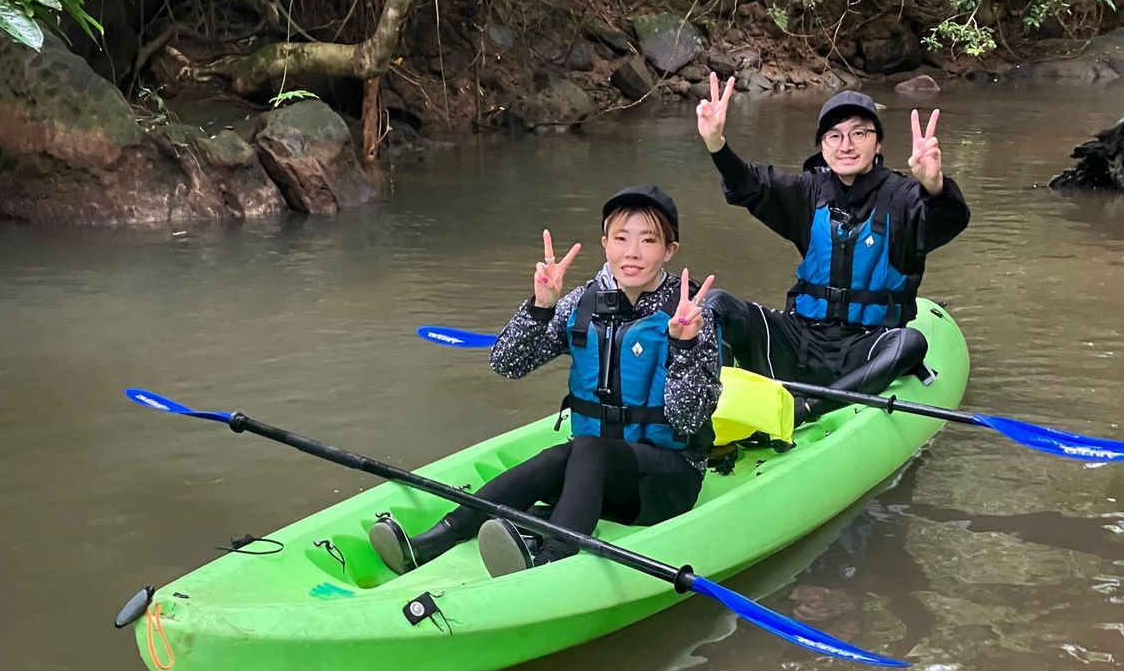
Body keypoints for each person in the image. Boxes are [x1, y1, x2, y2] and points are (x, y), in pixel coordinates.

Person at [368, 185, 721, 578]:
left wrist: (684, 346)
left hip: (664, 482)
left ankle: (553, 559)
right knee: (560, 457)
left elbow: (689, 421)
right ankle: (436, 539)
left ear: (669, 250)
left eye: (648, 240)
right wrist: (540, 306)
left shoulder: (690, 315)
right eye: (621, 238)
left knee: (587, 449)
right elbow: (506, 363)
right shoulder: (583, 302)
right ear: (605, 244)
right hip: (597, 479)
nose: (632, 252)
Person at [695, 76, 970, 417]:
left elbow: (949, 220)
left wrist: (935, 185)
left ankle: (810, 407)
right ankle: (711, 408)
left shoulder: (903, 198)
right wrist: (717, 145)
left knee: (910, 343)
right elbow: (749, 185)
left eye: (859, 133)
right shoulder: (808, 192)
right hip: (801, 339)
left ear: (878, 144)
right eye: (834, 136)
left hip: (866, 345)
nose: (846, 145)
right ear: (823, 146)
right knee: (713, 304)